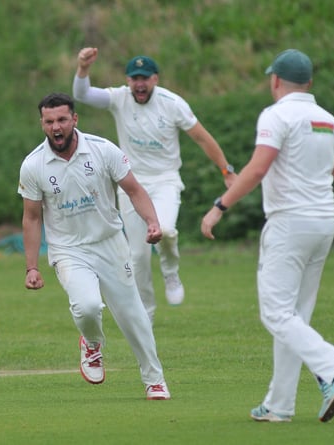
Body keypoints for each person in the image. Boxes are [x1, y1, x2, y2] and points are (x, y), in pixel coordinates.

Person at [201, 49, 334, 422]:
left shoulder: (276, 114)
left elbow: (257, 168)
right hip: (323, 225)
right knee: (294, 315)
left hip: (289, 224)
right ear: (310, 83)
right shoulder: (328, 120)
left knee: (277, 314)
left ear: (276, 81)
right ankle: (279, 405)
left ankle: (331, 367)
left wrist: (220, 206)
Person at [19, 92, 170, 400]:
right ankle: (91, 343)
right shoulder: (33, 165)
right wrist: (32, 267)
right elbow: (32, 218)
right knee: (87, 306)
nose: (56, 127)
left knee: (133, 315)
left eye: (62, 119)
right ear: (42, 124)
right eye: (49, 121)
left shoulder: (103, 150)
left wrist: (152, 222)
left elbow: (134, 190)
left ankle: (154, 380)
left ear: (75, 119)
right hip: (68, 249)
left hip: (111, 243)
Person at [73, 47, 236, 321]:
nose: (139, 83)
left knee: (167, 231)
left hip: (165, 182)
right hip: (131, 184)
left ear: (155, 80)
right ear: (127, 81)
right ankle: (145, 314)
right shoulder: (119, 98)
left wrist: (226, 170)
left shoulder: (172, 104)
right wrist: (83, 68)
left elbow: (202, 138)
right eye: (134, 78)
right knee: (137, 256)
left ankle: (171, 272)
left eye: (145, 78)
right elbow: (82, 94)